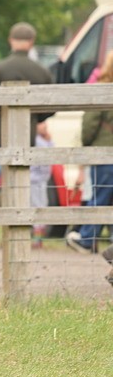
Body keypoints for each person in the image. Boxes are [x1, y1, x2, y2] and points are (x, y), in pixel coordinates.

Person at [0, 22, 53, 206]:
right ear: (32, 42)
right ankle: (18, 210)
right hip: (28, 136)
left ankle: (3, 208)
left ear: (11, 40)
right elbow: (51, 103)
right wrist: (35, 119)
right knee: (22, 180)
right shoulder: (41, 71)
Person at [66, 52, 113, 255]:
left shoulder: (102, 91)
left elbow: (90, 125)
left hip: (104, 152)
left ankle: (86, 238)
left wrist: (86, 145)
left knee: (100, 196)